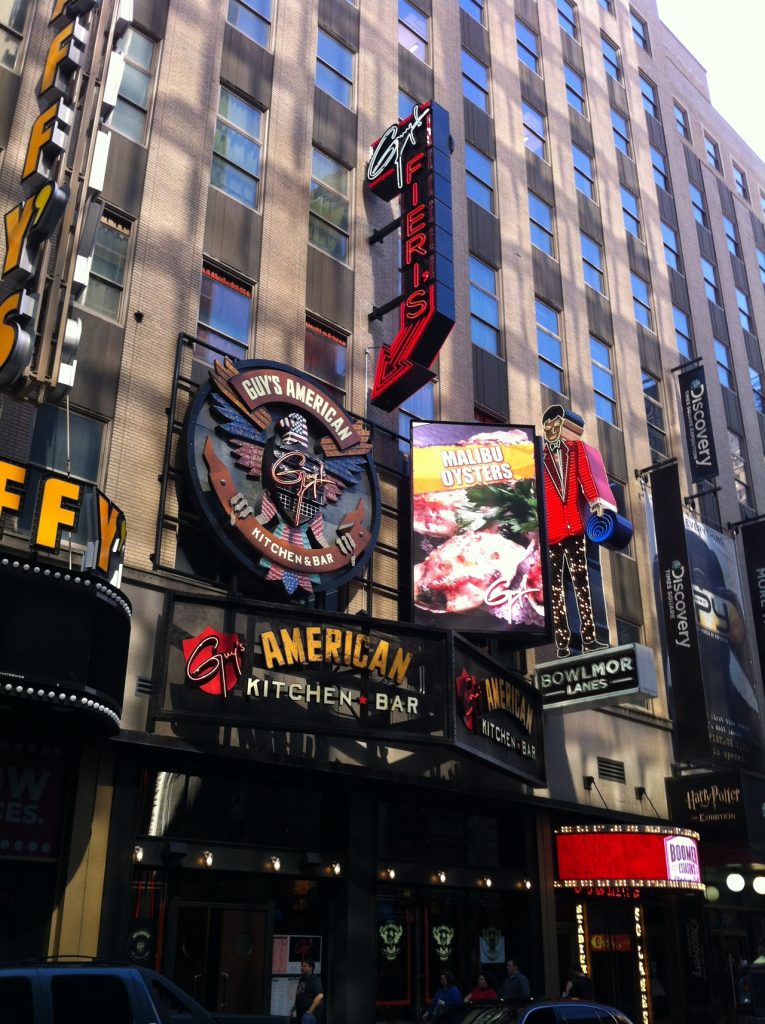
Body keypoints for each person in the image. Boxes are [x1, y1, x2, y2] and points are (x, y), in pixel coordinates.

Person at [541, 405, 617, 658]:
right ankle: (562, 642)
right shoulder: (538, 455)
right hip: (551, 531)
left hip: (574, 526)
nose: (552, 429)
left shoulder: (575, 450)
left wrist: (596, 501)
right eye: (548, 425)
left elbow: (586, 477)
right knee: (555, 589)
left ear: (562, 425)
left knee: (581, 584)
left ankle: (589, 638)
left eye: (556, 424)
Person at [290, 959, 323, 1024]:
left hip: (309, 1017)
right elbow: (300, 996)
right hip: (301, 1016)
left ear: (311, 968)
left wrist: (310, 1011)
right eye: (301, 966)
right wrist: (293, 1009)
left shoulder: (314, 979)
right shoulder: (302, 980)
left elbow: (320, 996)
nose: (302, 968)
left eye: (304, 966)